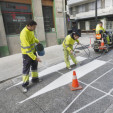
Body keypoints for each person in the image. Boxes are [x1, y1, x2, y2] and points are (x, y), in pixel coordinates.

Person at [20, 20, 41, 93]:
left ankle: (35, 79)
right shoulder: (23, 34)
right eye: (34, 27)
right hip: (27, 54)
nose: (35, 28)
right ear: (29, 26)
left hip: (33, 52)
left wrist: (37, 41)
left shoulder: (31, 31)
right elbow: (27, 49)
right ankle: (24, 85)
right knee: (26, 69)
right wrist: (35, 58)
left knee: (34, 66)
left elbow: (33, 38)